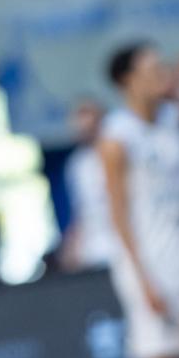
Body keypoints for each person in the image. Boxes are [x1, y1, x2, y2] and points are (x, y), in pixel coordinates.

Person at [99, 43, 179, 358]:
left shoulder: (174, 117)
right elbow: (118, 213)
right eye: (152, 71)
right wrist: (142, 279)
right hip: (150, 262)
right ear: (128, 80)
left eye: (162, 68)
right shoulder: (116, 136)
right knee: (159, 356)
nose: (161, 76)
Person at [59, 99, 114, 272]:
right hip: (94, 250)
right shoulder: (77, 164)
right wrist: (72, 242)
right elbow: (81, 210)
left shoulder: (121, 153)